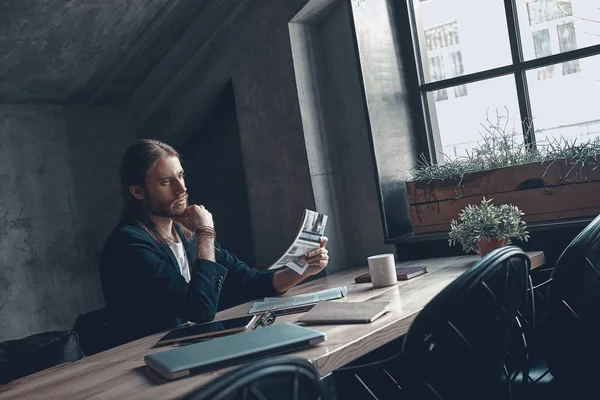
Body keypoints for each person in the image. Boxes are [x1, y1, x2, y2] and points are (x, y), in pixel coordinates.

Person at [99, 139, 329, 344]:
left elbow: (250, 281)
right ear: (138, 192)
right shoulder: (129, 244)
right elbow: (200, 309)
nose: (182, 189)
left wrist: (303, 269)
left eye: (180, 176)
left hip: (190, 346)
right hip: (142, 360)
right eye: (166, 182)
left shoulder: (185, 233)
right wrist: (206, 234)